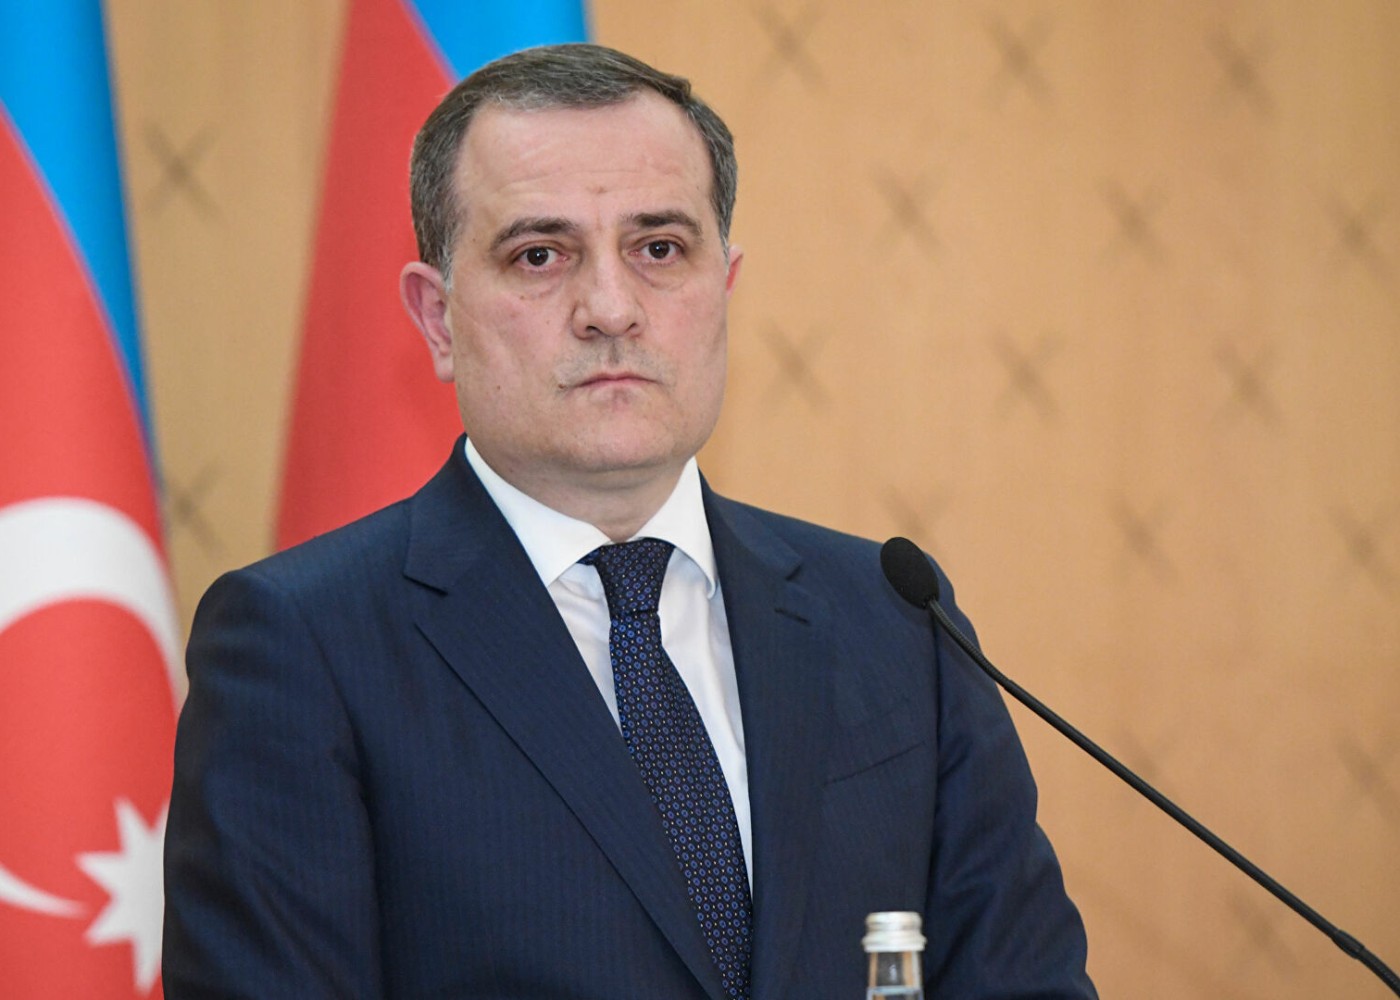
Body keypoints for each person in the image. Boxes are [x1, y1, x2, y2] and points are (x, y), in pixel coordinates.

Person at [163, 43, 1096, 999]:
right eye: (539, 255)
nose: (611, 309)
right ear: (438, 319)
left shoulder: (895, 619)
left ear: (722, 286)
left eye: (659, 250)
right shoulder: (302, 646)